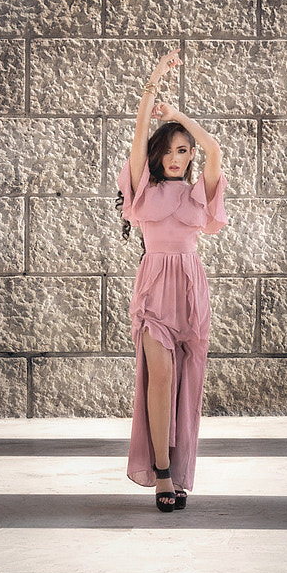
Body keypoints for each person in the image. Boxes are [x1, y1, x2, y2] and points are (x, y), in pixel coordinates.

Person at [116, 48, 228, 511]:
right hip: (154, 287)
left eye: (184, 151)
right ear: (157, 156)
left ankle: (180, 472)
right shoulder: (145, 186)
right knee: (160, 376)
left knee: (189, 382)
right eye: (170, 150)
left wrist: (181, 116)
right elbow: (140, 134)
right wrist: (155, 81)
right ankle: (162, 473)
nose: (177, 158)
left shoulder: (198, 192)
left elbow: (217, 149)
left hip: (190, 288)